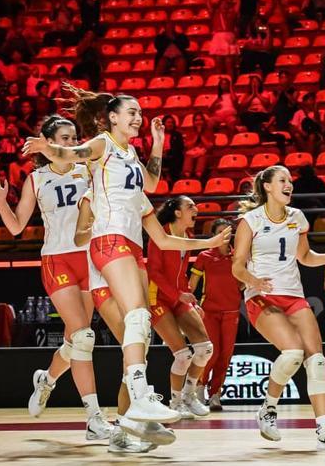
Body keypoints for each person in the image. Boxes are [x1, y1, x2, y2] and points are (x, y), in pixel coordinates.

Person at [21, 86, 182, 438]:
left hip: (122, 246)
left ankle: (129, 424)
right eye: (132, 112)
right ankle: (129, 405)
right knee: (110, 328)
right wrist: (48, 148)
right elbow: (73, 153)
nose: (138, 118)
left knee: (138, 334)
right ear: (112, 117)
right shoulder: (100, 145)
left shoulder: (129, 153)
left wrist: (158, 142)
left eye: (140, 112)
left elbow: (152, 183)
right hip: (102, 244)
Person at [0, 117, 111, 441]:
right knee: (84, 337)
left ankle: (47, 380)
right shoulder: (37, 179)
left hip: (88, 259)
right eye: (65, 138)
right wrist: (0, 201)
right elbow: (15, 227)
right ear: (48, 141)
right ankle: (94, 419)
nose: (72, 143)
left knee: (74, 341)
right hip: (57, 259)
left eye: (74, 137)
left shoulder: (87, 168)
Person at [73, 187, 227, 452]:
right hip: (105, 277)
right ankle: (135, 416)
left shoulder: (137, 195)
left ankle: (128, 424)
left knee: (138, 352)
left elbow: (164, 240)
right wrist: (97, 228)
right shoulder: (95, 192)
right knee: (133, 348)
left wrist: (208, 243)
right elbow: (78, 239)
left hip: (134, 275)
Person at [231, 166, 325, 451]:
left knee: (316, 359)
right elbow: (237, 266)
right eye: (282, 180)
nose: (289, 184)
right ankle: (268, 408)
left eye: (290, 180)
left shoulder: (297, 217)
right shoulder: (251, 220)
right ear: (267, 186)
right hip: (261, 295)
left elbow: (305, 257)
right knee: (292, 353)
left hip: (293, 294)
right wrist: (253, 280)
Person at [146, 196, 215, 419]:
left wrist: (191, 301)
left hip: (178, 298)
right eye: (190, 206)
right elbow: (154, 272)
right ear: (177, 212)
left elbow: (181, 275)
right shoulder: (160, 235)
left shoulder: (188, 237)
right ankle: (175, 403)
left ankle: (189, 395)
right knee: (183, 355)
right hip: (157, 298)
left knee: (205, 349)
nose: (196, 209)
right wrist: (178, 295)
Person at [188, 219, 241, 410]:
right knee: (213, 352)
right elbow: (191, 285)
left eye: (227, 231)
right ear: (213, 235)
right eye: (220, 232)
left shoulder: (238, 256)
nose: (224, 235)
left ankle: (216, 394)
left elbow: (243, 283)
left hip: (232, 312)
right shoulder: (205, 256)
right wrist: (190, 305)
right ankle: (200, 387)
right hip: (209, 312)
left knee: (225, 356)